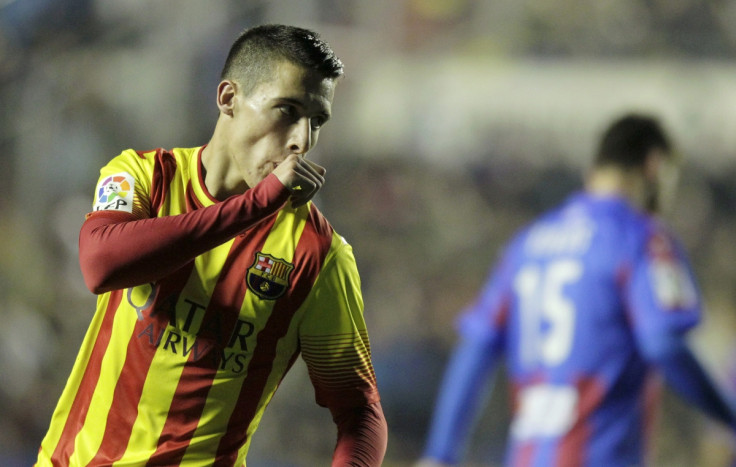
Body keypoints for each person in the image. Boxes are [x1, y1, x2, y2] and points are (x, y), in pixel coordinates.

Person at [35, 24, 387, 466]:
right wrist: (255, 206)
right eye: (286, 110)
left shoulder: (316, 255)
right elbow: (101, 264)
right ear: (228, 98)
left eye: (316, 121)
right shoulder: (144, 175)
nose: (302, 139)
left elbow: (360, 412)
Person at [417, 114, 736, 466]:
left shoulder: (528, 244)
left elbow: (475, 347)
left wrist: (440, 453)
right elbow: (663, 343)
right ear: (654, 166)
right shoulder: (642, 237)